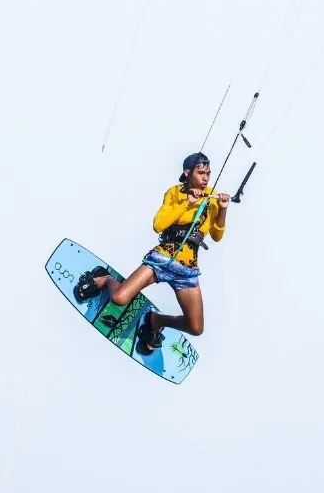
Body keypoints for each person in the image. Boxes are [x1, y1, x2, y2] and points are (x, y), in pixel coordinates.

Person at [73, 151, 230, 354]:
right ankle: (105, 280)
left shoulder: (212, 197)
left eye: (208, 173)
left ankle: (155, 321)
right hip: (162, 259)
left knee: (196, 327)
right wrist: (187, 203)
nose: (206, 178)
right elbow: (158, 224)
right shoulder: (175, 193)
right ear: (188, 172)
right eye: (201, 173)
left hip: (187, 270)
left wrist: (223, 208)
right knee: (119, 299)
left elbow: (217, 236)